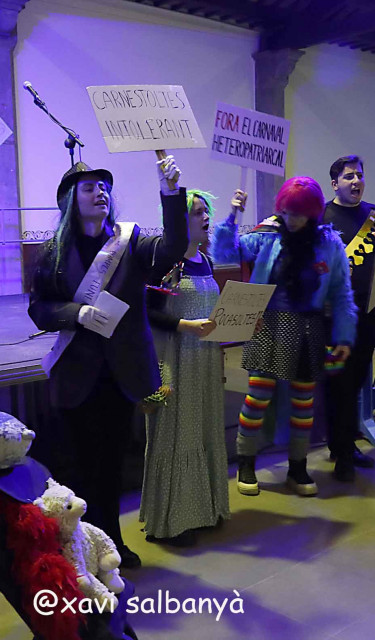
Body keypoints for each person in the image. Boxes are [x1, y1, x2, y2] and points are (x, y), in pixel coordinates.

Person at [28, 156, 188, 568]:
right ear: (70, 199)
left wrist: (171, 192)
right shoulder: (53, 252)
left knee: (111, 467)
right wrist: (76, 313)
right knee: (76, 470)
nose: (100, 192)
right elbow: (40, 309)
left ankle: (111, 542)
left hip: (120, 376)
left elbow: (173, 248)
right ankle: (76, 550)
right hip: (75, 376)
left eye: (104, 186)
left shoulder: (129, 243)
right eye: (89, 187)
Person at [212, 176, 356, 497]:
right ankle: (246, 463)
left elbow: (341, 293)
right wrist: (233, 215)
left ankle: (298, 467)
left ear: (312, 213)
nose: (291, 219)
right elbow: (225, 251)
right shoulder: (269, 236)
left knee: (303, 402)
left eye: (299, 213)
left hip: (308, 328)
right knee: (257, 397)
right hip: (268, 326)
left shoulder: (328, 243)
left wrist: (344, 337)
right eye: (287, 212)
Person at [140, 188, 233, 547]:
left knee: (202, 429)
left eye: (206, 210)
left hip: (204, 358)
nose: (205, 217)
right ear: (179, 222)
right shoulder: (168, 263)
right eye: (196, 212)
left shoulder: (205, 261)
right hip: (175, 357)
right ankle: (172, 521)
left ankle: (203, 510)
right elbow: (148, 312)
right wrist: (185, 326)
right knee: (176, 434)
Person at [323, 155, 375, 481]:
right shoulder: (322, 216)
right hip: (333, 317)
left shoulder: (374, 214)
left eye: (360, 175)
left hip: (367, 311)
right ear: (334, 183)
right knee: (338, 383)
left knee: (355, 382)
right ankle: (341, 451)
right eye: (349, 176)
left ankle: (346, 445)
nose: (356, 181)